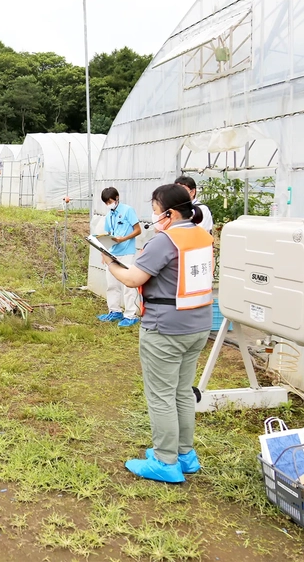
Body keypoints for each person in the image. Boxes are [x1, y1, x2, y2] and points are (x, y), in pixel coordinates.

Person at [102, 184, 214, 484]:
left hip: (166, 328)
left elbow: (133, 277)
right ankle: (185, 454)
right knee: (182, 392)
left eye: (155, 211)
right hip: (198, 326)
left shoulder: (165, 241)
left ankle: (166, 461)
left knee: (161, 395)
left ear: (170, 212)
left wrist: (110, 263)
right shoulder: (203, 235)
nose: (153, 217)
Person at [97, 187, 142, 328]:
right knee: (111, 283)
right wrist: (103, 252)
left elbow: (138, 230)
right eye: (106, 202)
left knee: (128, 284)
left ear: (117, 198)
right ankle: (114, 311)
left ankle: (130, 315)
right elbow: (108, 234)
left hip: (127, 252)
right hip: (112, 252)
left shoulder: (128, 210)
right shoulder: (109, 215)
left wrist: (124, 239)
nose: (108, 204)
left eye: (110, 201)